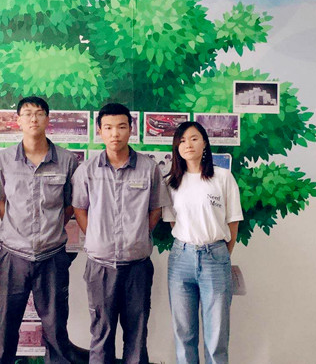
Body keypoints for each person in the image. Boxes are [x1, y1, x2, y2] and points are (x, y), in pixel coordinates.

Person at [72, 102, 172, 364]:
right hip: (100, 266)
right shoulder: (87, 170)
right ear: (99, 131)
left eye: (121, 127)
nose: (114, 133)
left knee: (136, 333)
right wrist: (96, 236)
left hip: (137, 266)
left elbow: (155, 209)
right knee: (101, 333)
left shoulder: (149, 168)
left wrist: (138, 234)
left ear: (131, 129)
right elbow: (79, 208)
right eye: (108, 127)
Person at [0, 96, 79, 364]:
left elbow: (71, 204)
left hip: (52, 255)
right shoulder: (4, 160)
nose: (33, 118)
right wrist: (16, 229)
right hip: (13, 255)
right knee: (6, 324)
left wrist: (52, 227)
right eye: (27, 113)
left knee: (56, 326)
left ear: (48, 119)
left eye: (39, 113)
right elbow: (1, 200)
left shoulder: (66, 160)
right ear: (18, 121)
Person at [162, 121, 243, 364]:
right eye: (182, 140)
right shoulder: (171, 182)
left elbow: (233, 222)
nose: (188, 144)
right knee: (184, 332)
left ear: (205, 143)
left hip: (215, 257)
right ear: (176, 147)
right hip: (181, 259)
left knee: (216, 335)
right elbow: (173, 223)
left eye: (194, 138)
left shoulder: (222, 177)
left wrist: (221, 253)